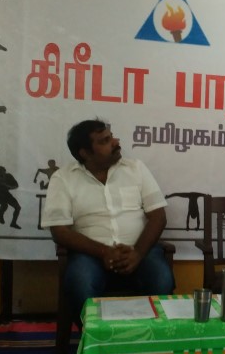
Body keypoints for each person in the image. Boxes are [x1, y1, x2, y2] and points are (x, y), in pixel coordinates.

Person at [41, 119, 175, 325]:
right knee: (79, 282)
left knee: (162, 279)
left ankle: (149, 339)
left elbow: (158, 216)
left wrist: (138, 253)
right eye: (105, 141)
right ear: (85, 153)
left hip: (140, 252)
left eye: (111, 137)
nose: (115, 142)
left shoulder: (135, 168)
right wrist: (104, 252)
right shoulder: (63, 178)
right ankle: (98, 340)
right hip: (90, 256)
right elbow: (59, 231)